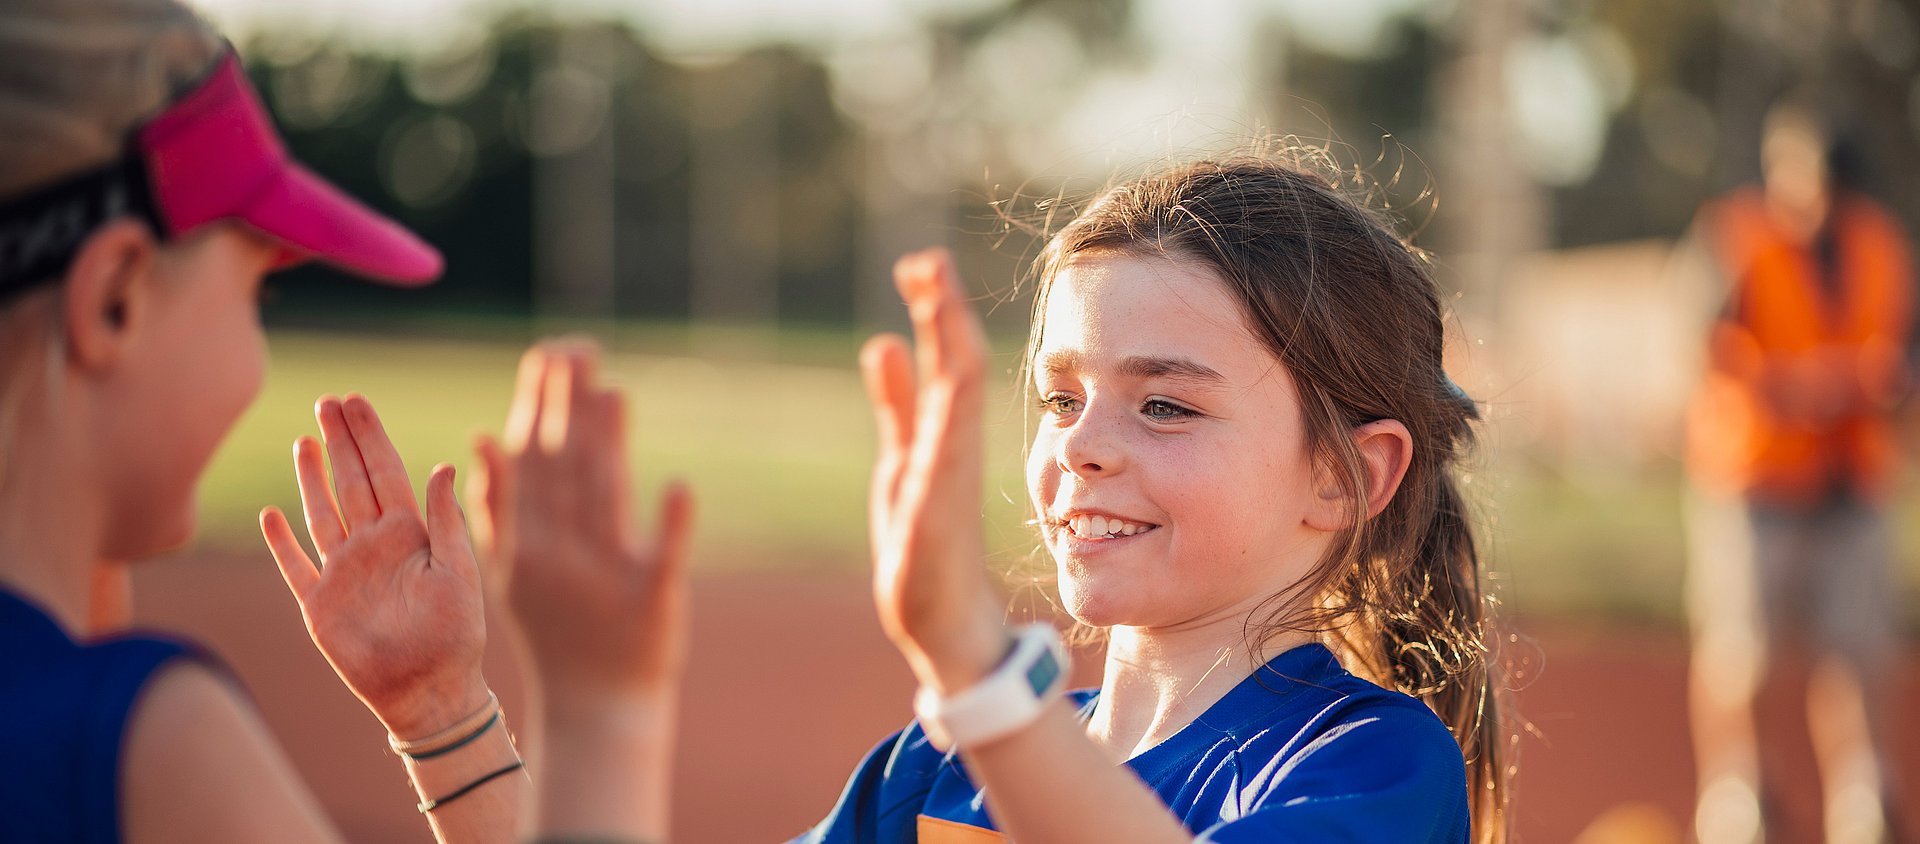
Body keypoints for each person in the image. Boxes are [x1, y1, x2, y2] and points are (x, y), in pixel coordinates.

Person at [0, 2, 687, 842]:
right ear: (115, 302)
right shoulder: (138, 742)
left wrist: (443, 711)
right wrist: (598, 710)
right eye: (257, 293)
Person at [806, 155, 1506, 842]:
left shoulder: (1372, 764)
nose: (1081, 444)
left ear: (1341, 473)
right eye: (1062, 399)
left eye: (1165, 405)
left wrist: (982, 680)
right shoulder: (936, 771)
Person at [1681, 100, 1913, 844]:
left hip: (1853, 480)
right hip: (1755, 479)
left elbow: (1906, 349)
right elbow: (1697, 344)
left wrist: (1890, 386)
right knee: (1741, 649)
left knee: (1856, 649)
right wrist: (1791, 387)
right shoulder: (1735, 239)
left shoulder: (1880, 245)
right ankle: (1737, 791)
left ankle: (1862, 792)